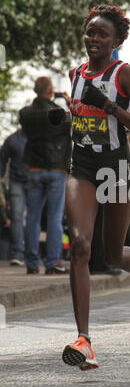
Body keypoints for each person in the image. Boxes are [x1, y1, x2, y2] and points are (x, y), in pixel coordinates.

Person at [61, 4, 130, 371]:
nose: (93, 38)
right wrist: (64, 120)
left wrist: (108, 105)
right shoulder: (75, 73)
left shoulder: (124, 74)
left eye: (102, 34)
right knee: (79, 245)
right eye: (90, 32)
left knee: (110, 254)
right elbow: (79, 120)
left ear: (116, 40)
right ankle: (84, 340)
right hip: (83, 166)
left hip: (118, 168)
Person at [19, 76, 72, 275]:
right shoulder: (58, 114)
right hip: (56, 169)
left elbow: (26, 125)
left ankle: (31, 264)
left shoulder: (25, 114)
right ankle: (52, 263)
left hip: (34, 168)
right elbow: (73, 121)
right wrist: (67, 100)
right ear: (50, 92)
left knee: (32, 216)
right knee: (54, 217)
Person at [0, 126, 29, 265]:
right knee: (20, 217)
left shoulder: (12, 139)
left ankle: (22, 253)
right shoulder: (13, 140)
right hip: (25, 182)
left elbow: (2, 159)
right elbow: (2, 158)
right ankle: (21, 252)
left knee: (19, 217)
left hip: (24, 182)